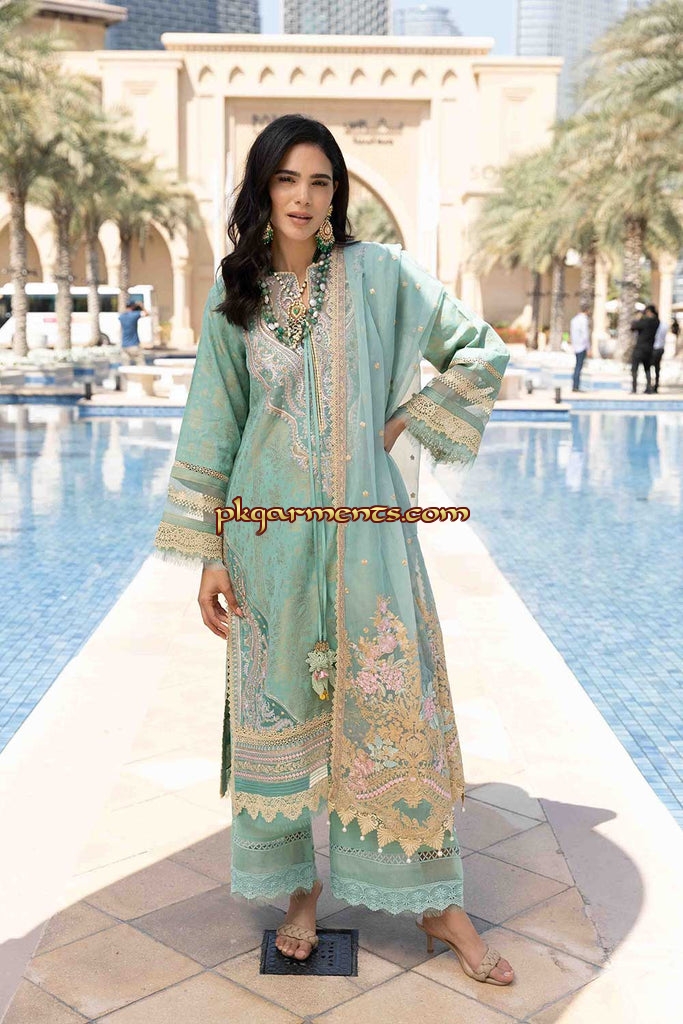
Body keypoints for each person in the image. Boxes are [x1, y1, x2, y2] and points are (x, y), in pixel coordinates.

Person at [154, 115, 515, 986]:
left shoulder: (378, 274)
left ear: (336, 195)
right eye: (287, 179)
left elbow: (478, 349)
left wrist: (401, 422)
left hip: (365, 542)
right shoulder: (233, 292)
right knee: (279, 715)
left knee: (392, 709)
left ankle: (434, 904)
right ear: (262, 188)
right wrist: (211, 553)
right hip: (266, 542)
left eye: (320, 182)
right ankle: (298, 892)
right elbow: (214, 424)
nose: (304, 198)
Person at [630, 304, 659, 394]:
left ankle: (634, 388)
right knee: (647, 369)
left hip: (640, 348)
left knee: (634, 368)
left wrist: (639, 317)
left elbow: (633, 327)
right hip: (649, 348)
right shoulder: (656, 322)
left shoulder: (645, 321)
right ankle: (648, 387)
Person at [118, 298, 148, 365]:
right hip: (134, 345)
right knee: (141, 364)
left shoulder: (122, 316)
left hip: (124, 345)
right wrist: (141, 306)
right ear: (133, 306)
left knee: (125, 366)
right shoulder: (134, 315)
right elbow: (146, 314)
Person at [570, 303, 591, 392]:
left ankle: (575, 385)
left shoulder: (574, 319)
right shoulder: (584, 320)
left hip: (576, 346)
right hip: (582, 346)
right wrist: (588, 348)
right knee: (579, 366)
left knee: (577, 366)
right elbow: (585, 335)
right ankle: (576, 386)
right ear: (587, 310)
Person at [651, 316, 668, 393]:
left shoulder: (655, 325)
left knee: (651, 367)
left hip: (655, 348)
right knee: (657, 367)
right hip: (660, 348)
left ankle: (653, 385)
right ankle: (656, 385)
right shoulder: (664, 325)